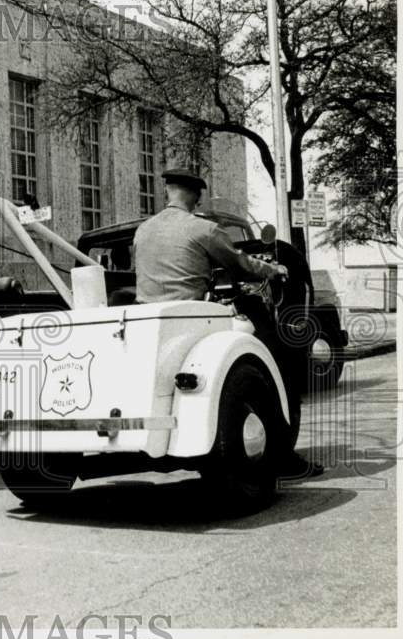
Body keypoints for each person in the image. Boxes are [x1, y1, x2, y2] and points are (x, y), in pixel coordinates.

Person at [133, 168, 322, 478]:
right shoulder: (203, 229)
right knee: (277, 367)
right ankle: (283, 456)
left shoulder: (143, 231)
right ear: (196, 196)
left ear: (168, 192)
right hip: (191, 316)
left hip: (149, 322)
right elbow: (240, 264)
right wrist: (273, 271)